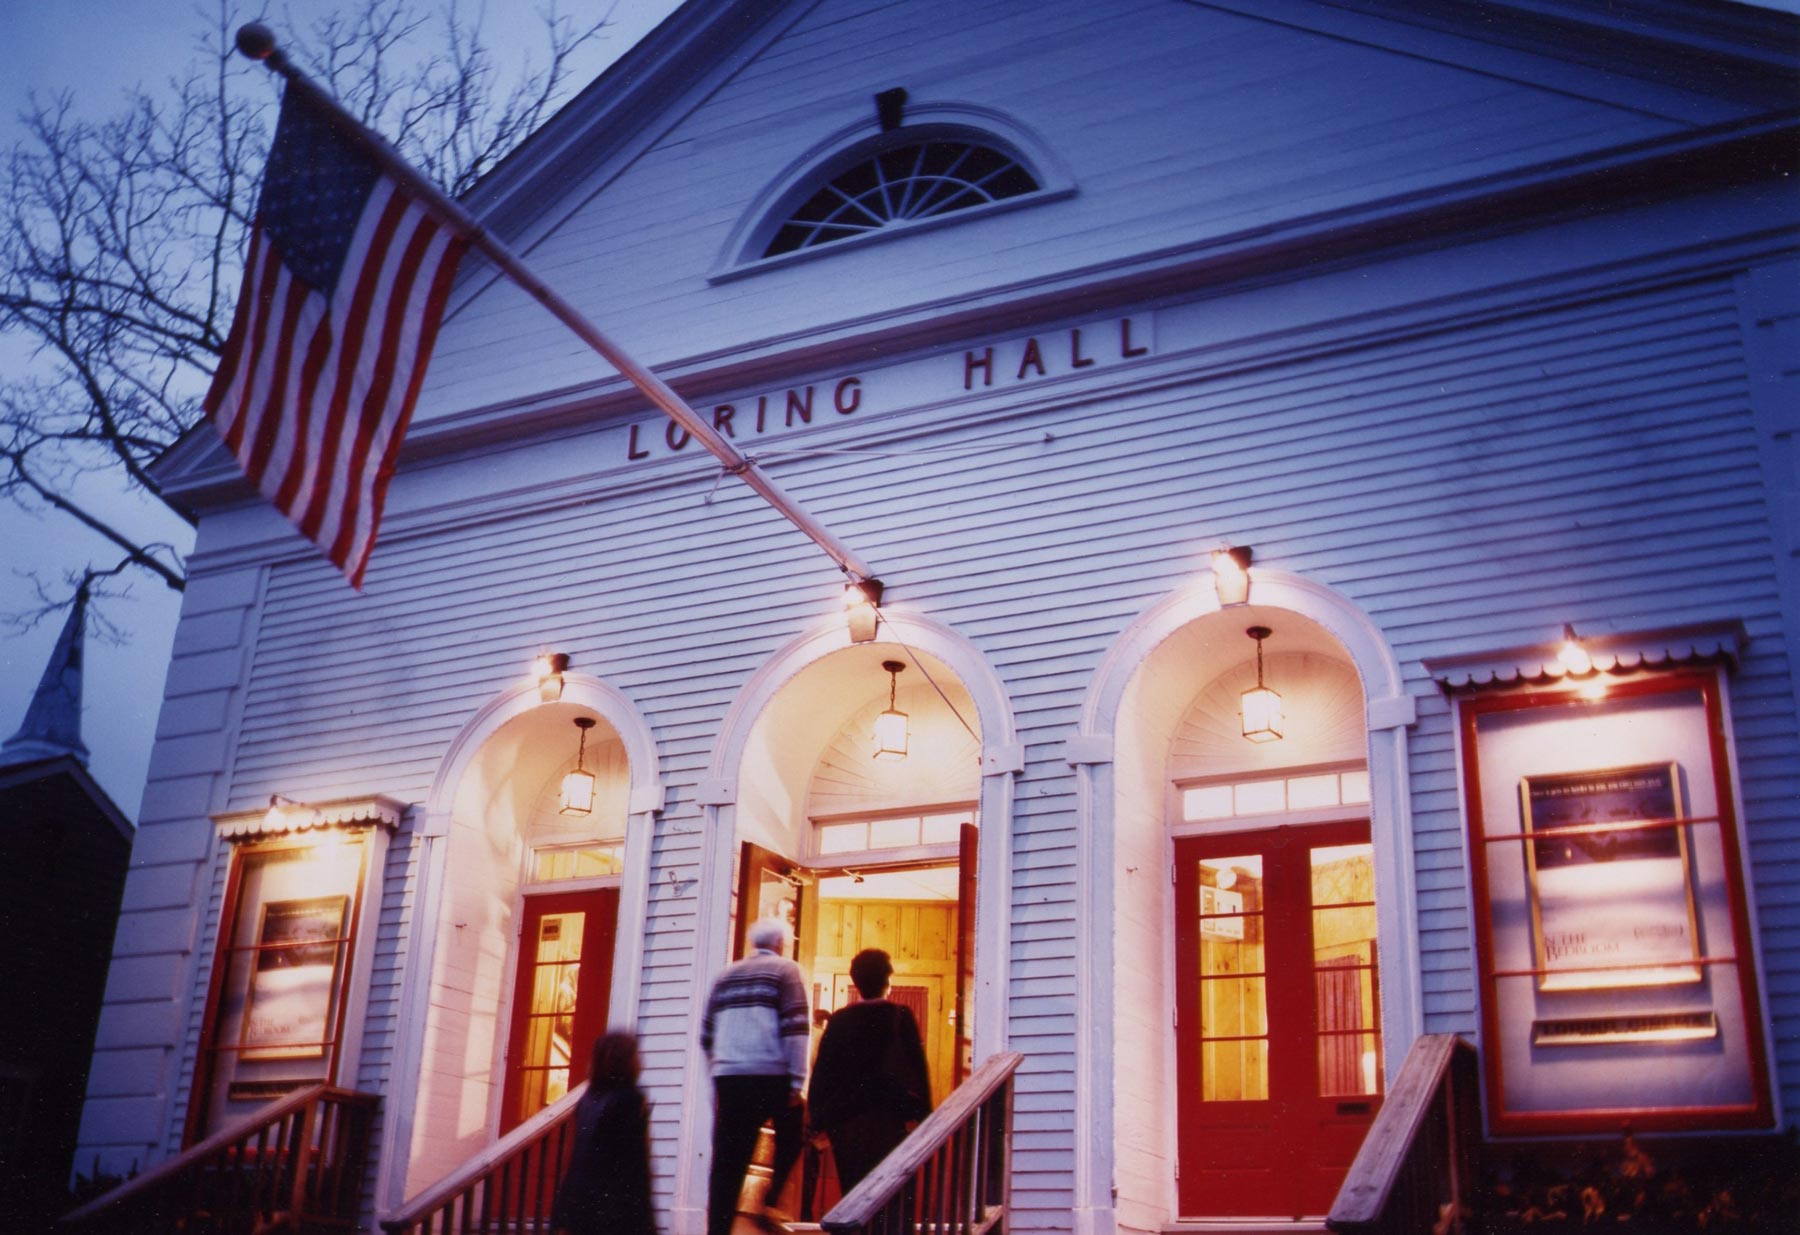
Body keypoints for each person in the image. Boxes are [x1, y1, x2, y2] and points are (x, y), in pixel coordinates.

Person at [701, 918, 810, 1235]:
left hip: (730, 1077)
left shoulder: (725, 976)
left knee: (727, 1161)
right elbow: (796, 1029)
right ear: (780, 943)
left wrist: (718, 1068)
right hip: (769, 1074)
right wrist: (796, 1081)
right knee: (793, 1132)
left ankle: (717, 1230)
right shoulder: (786, 971)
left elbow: (706, 1034)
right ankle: (771, 1200)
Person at [806, 948, 932, 1194]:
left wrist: (817, 1120)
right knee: (888, 1193)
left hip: (847, 1124)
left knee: (852, 1190)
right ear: (888, 979)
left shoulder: (840, 1020)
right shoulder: (900, 1016)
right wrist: (924, 1114)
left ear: (855, 981)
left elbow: (823, 1073)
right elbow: (918, 1069)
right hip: (890, 1120)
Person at [550, 1031, 656, 1235]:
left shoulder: (587, 1101)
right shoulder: (629, 1100)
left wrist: (562, 1214)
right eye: (636, 1054)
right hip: (614, 1212)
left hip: (581, 1207)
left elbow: (576, 1162)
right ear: (625, 1060)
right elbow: (635, 1167)